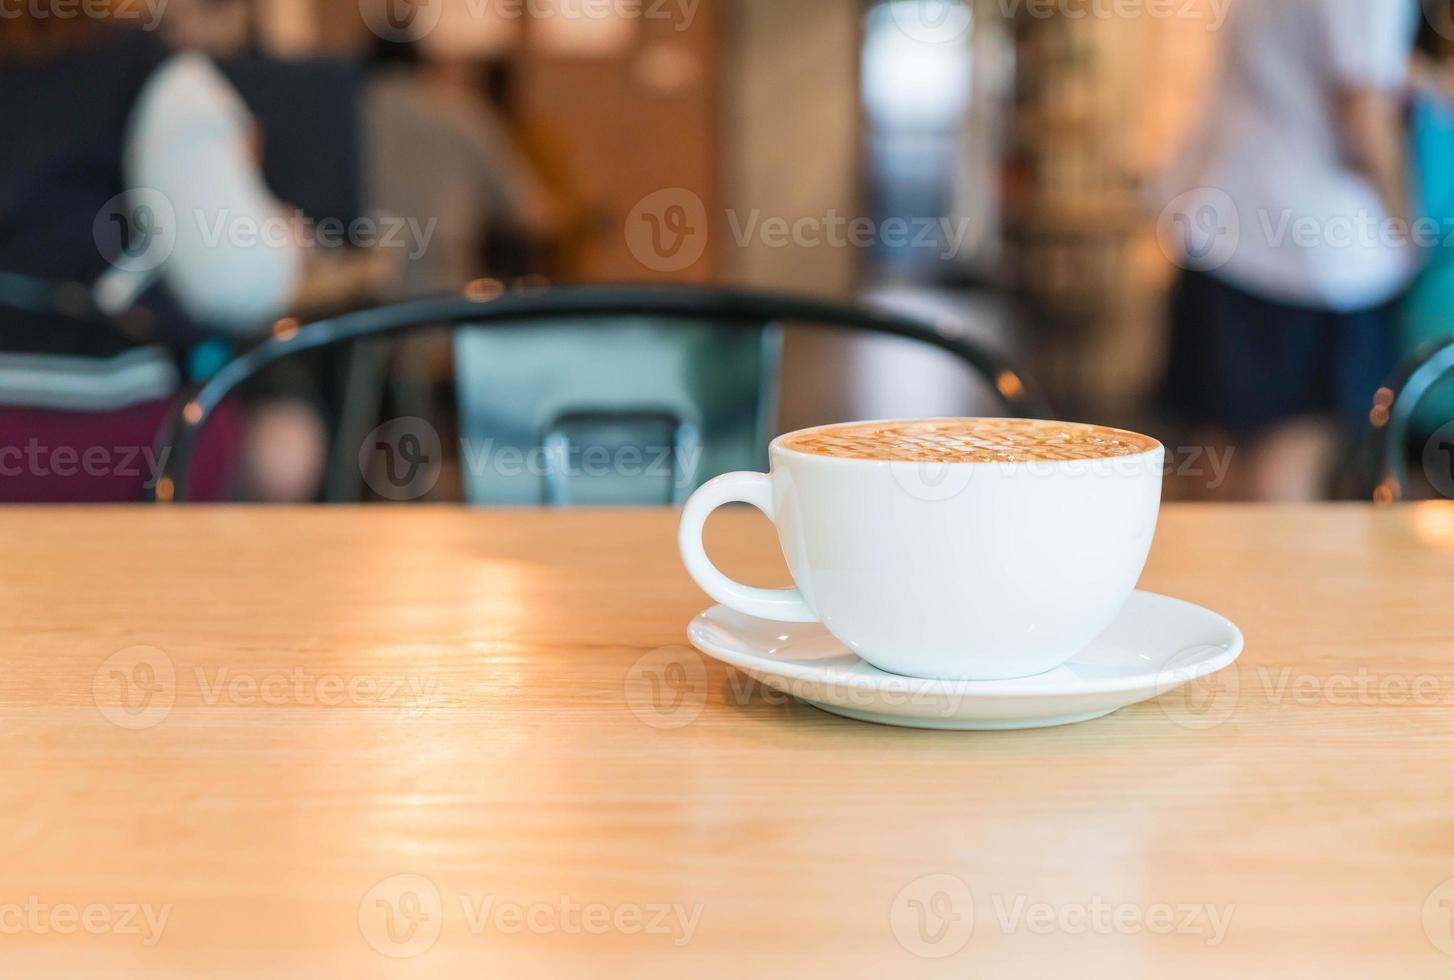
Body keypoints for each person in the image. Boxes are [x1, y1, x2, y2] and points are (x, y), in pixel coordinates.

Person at [1157, 0, 1421, 501]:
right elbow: (1363, 110)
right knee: (1297, 444)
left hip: (1228, 222)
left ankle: (1206, 582)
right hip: (1312, 253)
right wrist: (1407, 224)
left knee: (1223, 450)